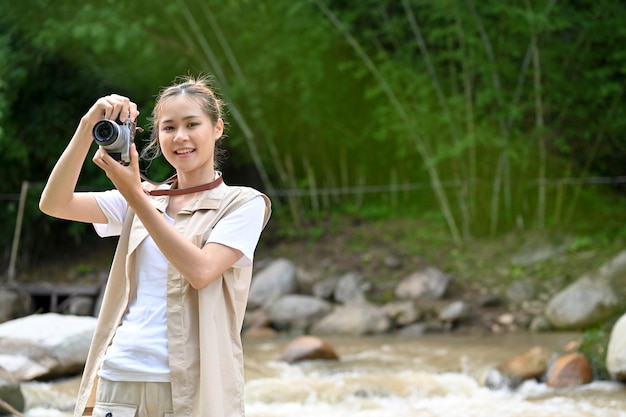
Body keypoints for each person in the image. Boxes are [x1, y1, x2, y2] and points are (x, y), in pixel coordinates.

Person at [39, 75, 271, 417]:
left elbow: (201, 271)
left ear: (218, 128)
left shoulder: (243, 203)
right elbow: (54, 203)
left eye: (192, 124)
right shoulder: (143, 199)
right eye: (168, 127)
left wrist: (134, 194)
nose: (180, 137)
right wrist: (87, 125)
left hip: (191, 390)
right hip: (119, 378)